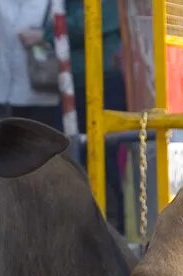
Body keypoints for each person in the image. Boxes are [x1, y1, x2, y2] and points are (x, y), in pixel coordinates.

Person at [44, 0, 127, 231]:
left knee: (109, 157)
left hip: (105, 81)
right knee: (72, 158)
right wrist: (62, 29)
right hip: (71, 86)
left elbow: (90, 23)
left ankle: (118, 225)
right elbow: (49, 33)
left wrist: (63, 27)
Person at [0, 0, 60, 129]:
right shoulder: (3, 3)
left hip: (42, 88)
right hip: (7, 92)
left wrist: (43, 35)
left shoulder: (54, 3)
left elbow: (74, 29)